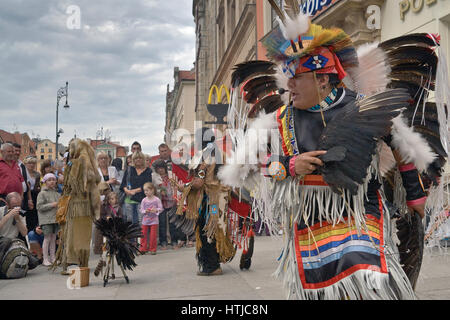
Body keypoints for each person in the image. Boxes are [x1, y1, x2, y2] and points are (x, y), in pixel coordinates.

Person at [219, 4, 448, 299]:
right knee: (322, 290)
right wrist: (290, 165)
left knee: (364, 269)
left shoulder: (364, 105)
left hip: (360, 210)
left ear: (323, 79)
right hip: (308, 219)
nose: (288, 87)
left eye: (296, 78)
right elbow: (249, 168)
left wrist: (415, 195)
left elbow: (402, 147)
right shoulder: (277, 121)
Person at [53, 138, 101, 273]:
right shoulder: (91, 164)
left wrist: (64, 179)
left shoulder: (74, 163)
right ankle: (82, 262)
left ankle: (71, 262)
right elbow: (95, 183)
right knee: (83, 235)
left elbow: (71, 186)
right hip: (86, 206)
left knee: (72, 234)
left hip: (74, 205)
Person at [153, 159, 185, 249]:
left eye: (162, 168)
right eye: (158, 168)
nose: (160, 170)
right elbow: (153, 188)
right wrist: (159, 191)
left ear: (165, 168)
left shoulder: (171, 175)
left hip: (172, 201)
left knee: (173, 223)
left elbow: (177, 186)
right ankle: (163, 242)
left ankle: (174, 241)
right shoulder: (154, 177)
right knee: (162, 223)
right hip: (160, 202)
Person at [120, 151, 152, 226]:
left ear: (143, 159)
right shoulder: (129, 169)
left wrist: (134, 191)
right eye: (136, 158)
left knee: (142, 222)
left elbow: (148, 185)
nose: (138, 160)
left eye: (140, 158)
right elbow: (123, 183)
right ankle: (131, 238)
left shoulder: (148, 171)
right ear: (133, 160)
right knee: (130, 222)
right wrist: (127, 191)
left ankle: (142, 238)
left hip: (142, 200)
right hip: (129, 199)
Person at [36, 173, 60, 266]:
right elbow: (39, 206)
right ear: (45, 182)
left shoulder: (57, 194)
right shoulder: (42, 193)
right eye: (49, 180)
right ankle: (45, 259)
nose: (52, 182)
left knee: (53, 238)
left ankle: (53, 257)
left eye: (53, 180)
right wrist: (52, 205)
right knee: (47, 238)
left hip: (55, 219)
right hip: (46, 220)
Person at [139, 182, 163, 255]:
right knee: (143, 234)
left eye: (147, 190)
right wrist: (145, 211)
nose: (146, 192)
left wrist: (156, 210)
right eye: (145, 190)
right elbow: (141, 209)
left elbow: (161, 208)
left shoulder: (156, 199)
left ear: (152, 190)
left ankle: (153, 249)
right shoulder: (144, 200)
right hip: (145, 220)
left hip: (154, 221)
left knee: (153, 235)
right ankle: (143, 248)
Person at [23, 156, 41, 234]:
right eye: (29, 163)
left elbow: (37, 186)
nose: (32, 165)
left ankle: (33, 231)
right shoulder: (23, 173)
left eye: (33, 163)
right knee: (27, 213)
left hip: (35, 195)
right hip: (26, 195)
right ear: (25, 164)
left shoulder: (37, 174)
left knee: (34, 213)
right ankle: (28, 230)